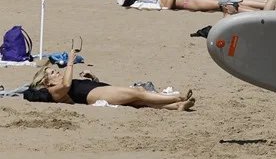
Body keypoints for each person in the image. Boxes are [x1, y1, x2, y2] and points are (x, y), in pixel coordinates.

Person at [24, 52, 195, 111]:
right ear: (47, 82)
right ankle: (177, 98)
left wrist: (93, 79)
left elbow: (73, 84)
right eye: (53, 72)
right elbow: (68, 85)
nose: (58, 72)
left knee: (139, 101)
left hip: (96, 91)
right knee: (139, 93)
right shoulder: (55, 91)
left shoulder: (60, 85)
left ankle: (177, 107)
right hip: (93, 96)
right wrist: (70, 61)